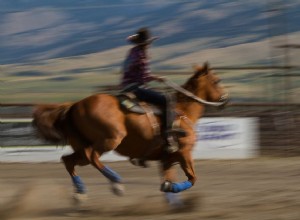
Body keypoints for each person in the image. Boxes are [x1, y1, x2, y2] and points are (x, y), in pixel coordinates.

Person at [120, 27, 186, 155]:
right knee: (167, 99)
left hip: (126, 86)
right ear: (144, 44)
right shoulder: (141, 55)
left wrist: (155, 78)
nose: (149, 46)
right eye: (148, 44)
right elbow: (144, 76)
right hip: (136, 87)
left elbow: (137, 72)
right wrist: (158, 78)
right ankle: (168, 136)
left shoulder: (132, 52)